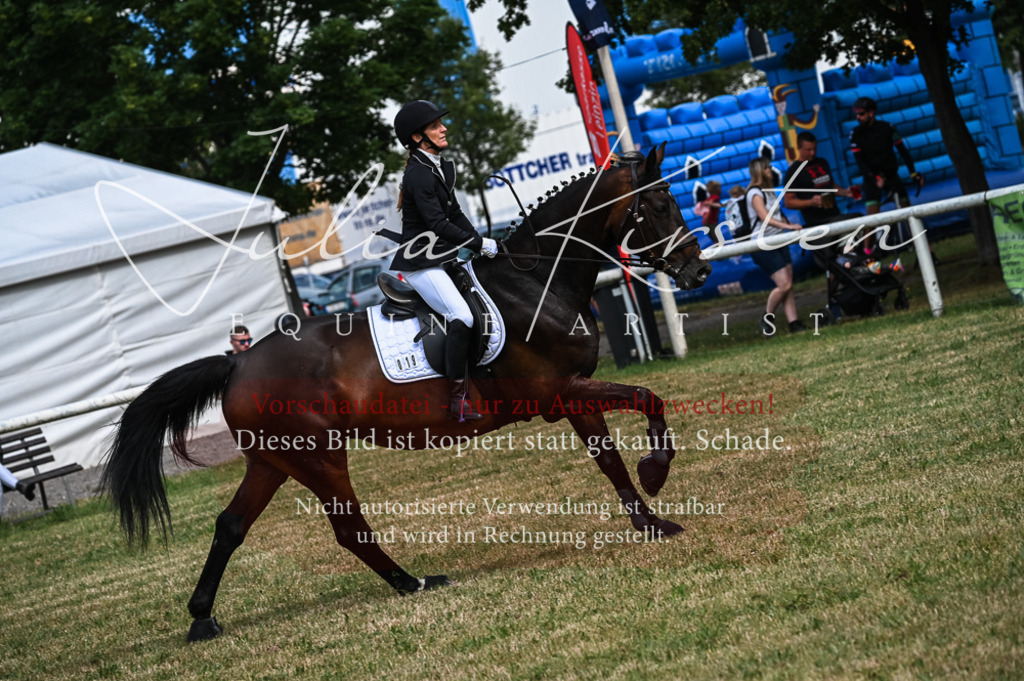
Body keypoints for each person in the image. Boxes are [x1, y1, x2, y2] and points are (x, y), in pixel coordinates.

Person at [391, 100, 498, 422]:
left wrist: (485, 242)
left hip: (442, 256)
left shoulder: (436, 166)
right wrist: (478, 243)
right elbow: (437, 224)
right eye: (436, 125)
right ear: (417, 137)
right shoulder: (419, 176)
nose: (443, 128)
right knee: (462, 317)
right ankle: (457, 400)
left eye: (441, 123)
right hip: (421, 263)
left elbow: (454, 214)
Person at [849, 96, 926, 254]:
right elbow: (860, 163)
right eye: (856, 114)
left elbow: (903, 151)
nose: (858, 117)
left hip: (891, 175)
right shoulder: (856, 134)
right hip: (872, 177)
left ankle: (926, 251)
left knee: (909, 212)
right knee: (871, 218)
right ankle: (868, 254)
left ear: (871, 113)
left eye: (861, 114)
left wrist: (913, 173)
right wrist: (875, 177)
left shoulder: (887, 128)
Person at [746, 157, 805, 336]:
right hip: (762, 244)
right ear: (760, 172)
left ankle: (793, 322)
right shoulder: (754, 192)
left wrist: (790, 228)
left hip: (778, 240)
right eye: (767, 168)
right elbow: (765, 217)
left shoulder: (768, 191)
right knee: (784, 283)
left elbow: (777, 215)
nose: (770, 171)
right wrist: (789, 227)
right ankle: (767, 316)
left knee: (788, 283)